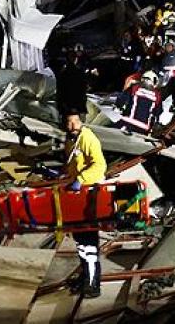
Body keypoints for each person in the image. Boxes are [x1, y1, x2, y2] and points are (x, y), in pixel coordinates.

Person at [62, 113, 107, 298]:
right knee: (81, 242)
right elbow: (72, 165)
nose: (72, 125)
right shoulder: (70, 142)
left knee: (88, 243)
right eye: (69, 121)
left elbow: (100, 165)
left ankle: (92, 285)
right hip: (77, 197)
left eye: (76, 121)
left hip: (89, 196)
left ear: (81, 122)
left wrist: (81, 179)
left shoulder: (88, 138)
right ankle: (85, 276)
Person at [54, 44, 90, 125]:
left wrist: (60, 106)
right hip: (78, 106)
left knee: (67, 128)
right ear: (75, 59)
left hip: (66, 106)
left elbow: (59, 91)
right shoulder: (80, 72)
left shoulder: (62, 74)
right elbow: (84, 89)